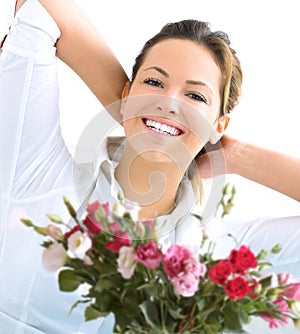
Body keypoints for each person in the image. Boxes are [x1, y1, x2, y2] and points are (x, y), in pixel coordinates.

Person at [0, 1, 299, 334]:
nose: (170, 102)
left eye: (195, 97)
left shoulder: (221, 250)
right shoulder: (34, 172)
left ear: (219, 125)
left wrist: (238, 155)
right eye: (155, 83)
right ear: (127, 91)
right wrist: (129, 109)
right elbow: (41, 7)